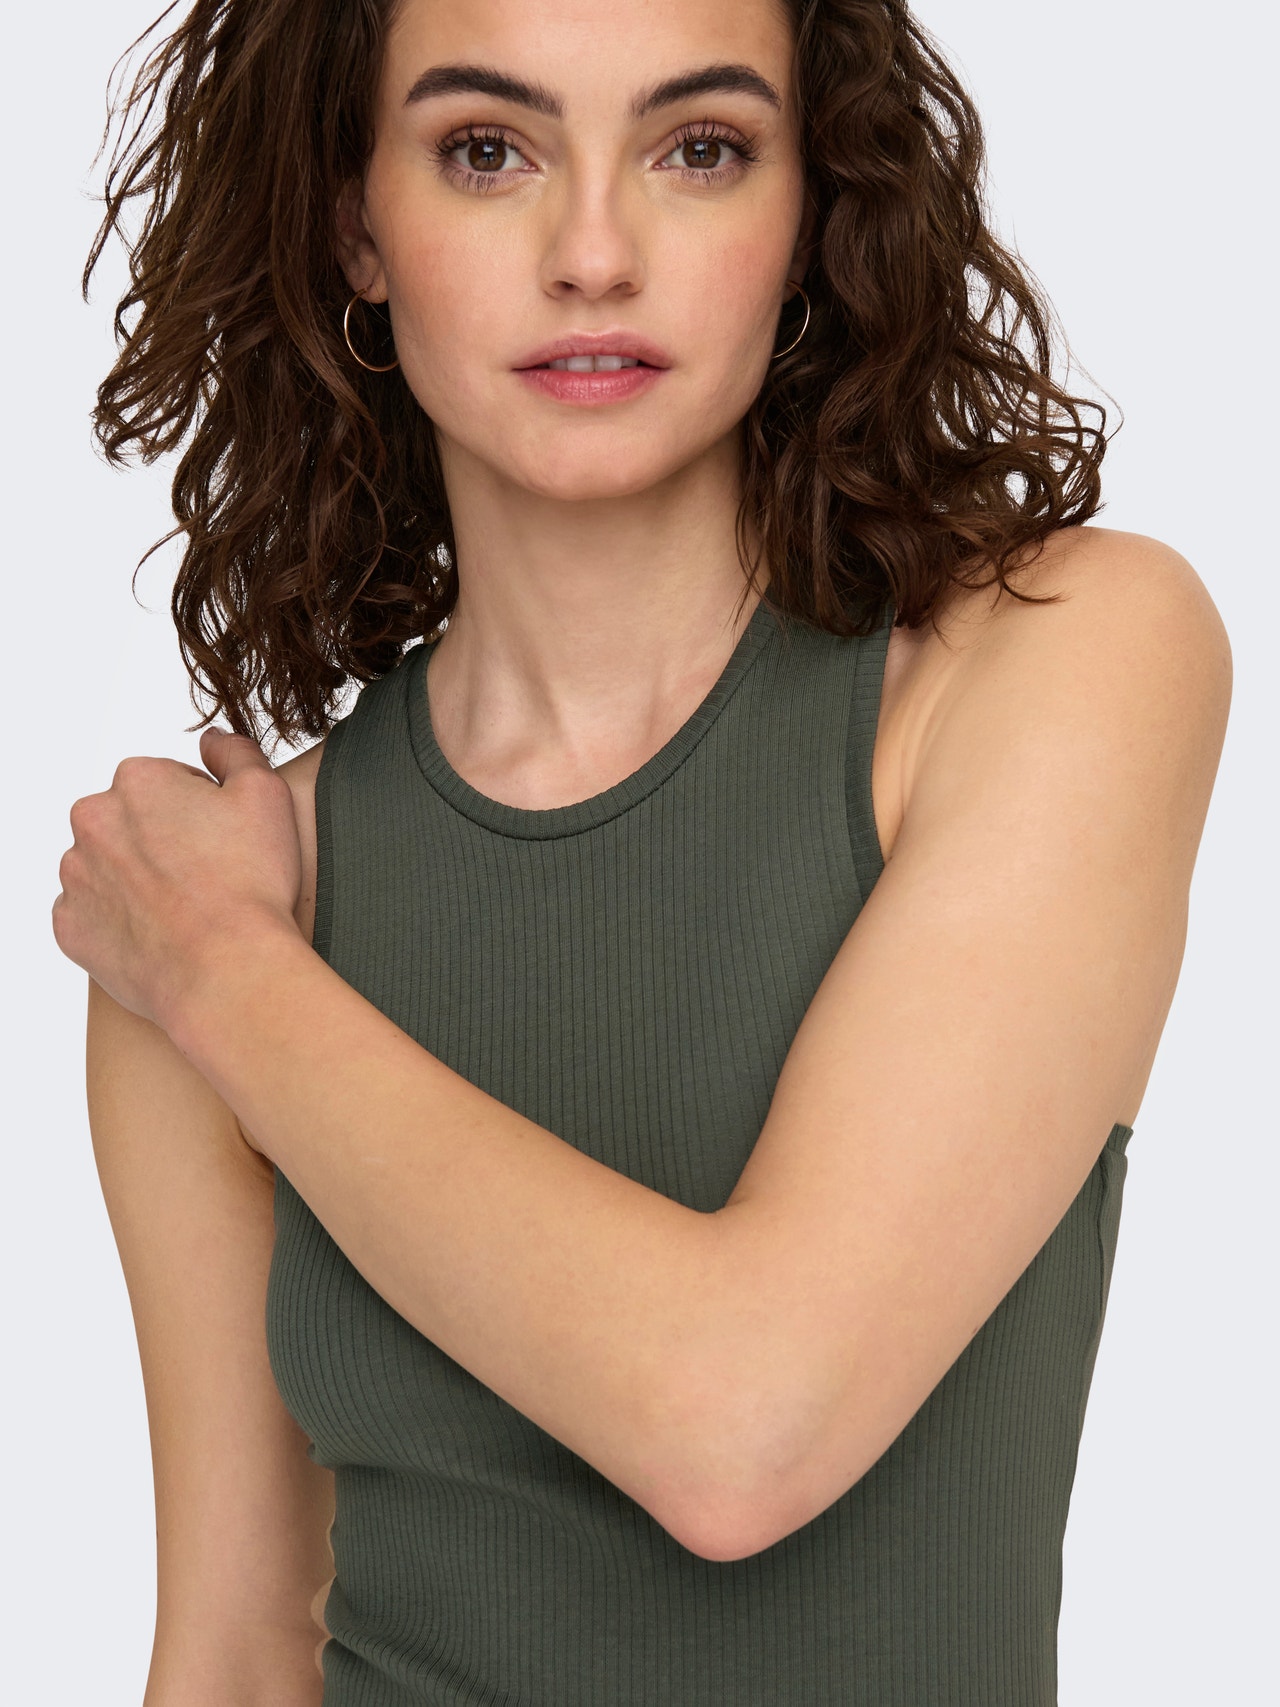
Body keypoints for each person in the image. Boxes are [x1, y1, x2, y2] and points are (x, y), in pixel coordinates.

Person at [52, 0, 1231, 1701]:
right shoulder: (221, 896)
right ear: (355, 227)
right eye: (486, 150)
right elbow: (236, 1654)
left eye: (699, 148)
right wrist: (213, 962)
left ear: (811, 213)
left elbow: (746, 1429)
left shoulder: (1062, 665)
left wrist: (235, 981)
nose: (593, 253)